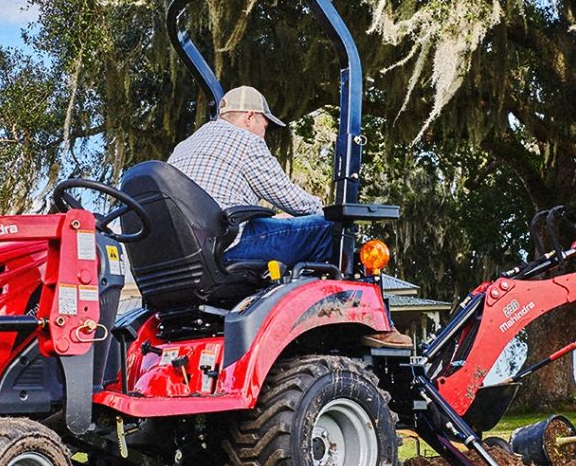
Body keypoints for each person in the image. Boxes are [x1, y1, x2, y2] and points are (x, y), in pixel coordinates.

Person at [168, 85, 411, 349]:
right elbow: (290, 198)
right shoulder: (245, 141)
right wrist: (327, 212)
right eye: (264, 125)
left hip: (185, 259)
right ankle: (367, 324)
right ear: (249, 117)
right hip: (227, 248)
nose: (264, 134)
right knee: (330, 229)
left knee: (281, 227)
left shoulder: (185, 146)